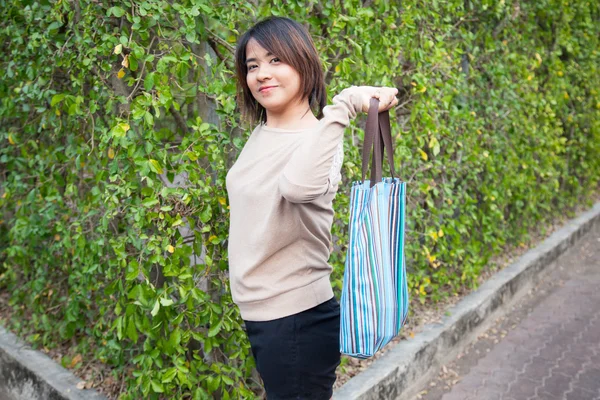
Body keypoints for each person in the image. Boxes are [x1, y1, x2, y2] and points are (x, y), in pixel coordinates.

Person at [226, 16, 398, 400]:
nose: (261, 74)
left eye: (275, 61)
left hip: (297, 320)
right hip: (263, 317)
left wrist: (347, 103)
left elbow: (297, 187)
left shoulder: (319, 140)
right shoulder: (263, 132)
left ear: (303, 63)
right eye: (252, 65)